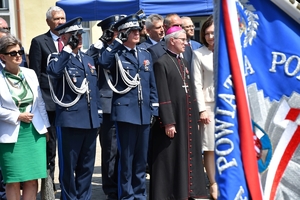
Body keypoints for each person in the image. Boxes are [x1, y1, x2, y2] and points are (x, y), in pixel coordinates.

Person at [99, 14, 159, 200]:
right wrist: (117, 42)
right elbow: (103, 62)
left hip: (143, 113)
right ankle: (126, 195)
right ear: (124, 33)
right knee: (127, 159)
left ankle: (140, 194)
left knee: (141, 160)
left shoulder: (144, 54)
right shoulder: (116, 53)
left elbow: (151, 84)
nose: (137, 33)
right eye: (132, 31)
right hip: (125, 113)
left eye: (137, 30)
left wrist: (154, 108)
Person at [47, 17, 102, 200]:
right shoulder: (57, 58)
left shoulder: (87, 59)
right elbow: (54, 73)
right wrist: (67, 49)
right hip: (71, 121)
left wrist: (98, 116)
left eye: (80, 34)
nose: (79, 38)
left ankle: (84, 198)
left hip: (90, 121)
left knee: (86, 167)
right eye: (74, 35)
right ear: (63, 38)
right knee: (69, 167)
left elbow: (95, 89)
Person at [150, 26, 208, 200]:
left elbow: (189, 89)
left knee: (186, 154)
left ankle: (187, 191)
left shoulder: (183, 62)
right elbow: (163, 94)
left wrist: (197, 115)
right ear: (172, 40)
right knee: (170, 156)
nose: (186, 43)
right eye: (182, 39)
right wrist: (168, 121)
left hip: (186, 117)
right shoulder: (161, 63)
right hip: (173, 118)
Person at [0, 34, 50, 200]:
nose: (18, 55)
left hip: (34, 133)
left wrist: (46, 128)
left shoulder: (30, 74)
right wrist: (17, 115)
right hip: (11, 134)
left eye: (20, 51)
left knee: (32, 180)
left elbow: (40, 103)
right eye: (13, 53)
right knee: (12, 179)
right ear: (2, 56)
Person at [85, 14, 126, 200]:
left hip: (127, 104)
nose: (121, 33)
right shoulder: (99, 49)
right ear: (109, 32)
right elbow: (89, 60)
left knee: (126, 149)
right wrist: (101, 43)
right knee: (110, 149)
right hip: (108, 105)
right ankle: (111, 189)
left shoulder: (125, 47)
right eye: (117, 30)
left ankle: (124, 185)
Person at [28, 6, 66, 193]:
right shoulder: (39, 42)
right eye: (57, 19)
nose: (60, 22)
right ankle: (48, 188)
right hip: (48, 103)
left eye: (63, 18)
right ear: (48, 22)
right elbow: (34, 75)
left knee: (67, 148)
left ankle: (66, 183)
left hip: (69, 103)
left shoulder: (70, 41)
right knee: (49, 148)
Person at [191, 15, 217, 200]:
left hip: (231, 106)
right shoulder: (199, 54)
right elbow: (196, 84)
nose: (210, 36)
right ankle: (213, 184)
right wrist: (202, 109)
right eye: (207, 33)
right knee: (209, 148)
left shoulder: (230, 51)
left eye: (213, 32)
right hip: (208, 106)